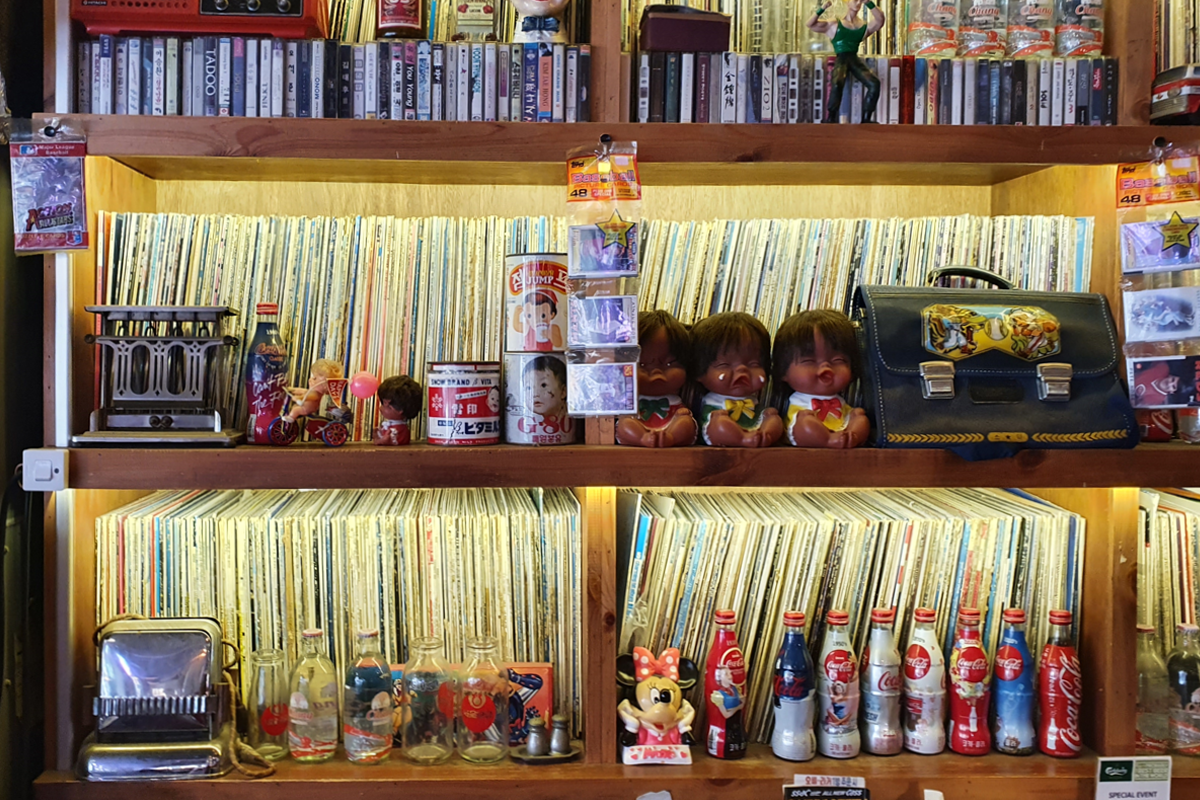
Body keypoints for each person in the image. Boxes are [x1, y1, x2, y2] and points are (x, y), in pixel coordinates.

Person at [772, 310, 870, 448]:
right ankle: (828, 440)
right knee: (806, 422)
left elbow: (854, 416)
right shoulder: (799, 404)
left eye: (838, 360)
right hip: (804, 433)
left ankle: (851, 437)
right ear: (783, 371)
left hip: (841, 428)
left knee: (860, 416)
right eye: (809, 361)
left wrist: (854, 421)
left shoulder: (841, 403)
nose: (825, 368)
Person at [691, 312, 784, 448]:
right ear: (699, 371)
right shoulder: (713, 405)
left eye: (753, 364)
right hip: (719, 431)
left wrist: (768, 418)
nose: (742, 370)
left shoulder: (754, 403)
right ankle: (742, 439)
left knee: (774, 419)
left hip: (755, 427)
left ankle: (765, 436)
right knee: (719, 423)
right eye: (725, 365)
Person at [616, 310, 697, 448]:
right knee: (626, 422)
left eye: (669, 363)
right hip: (638, 423)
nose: (656, 372)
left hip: (670, 424)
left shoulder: (675, 403)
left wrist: (680, 416)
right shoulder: (629, 401)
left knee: (686, 422)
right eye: (642, 364)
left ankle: (670, 438)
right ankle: (642, 438)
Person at [807, 0, 885, 123]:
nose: (858, 3)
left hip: (853, 58)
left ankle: (866, 118)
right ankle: (831, 117)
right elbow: (810, 24)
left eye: (860, 1)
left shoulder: (863, 27)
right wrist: (822, 9)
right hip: (842, 57)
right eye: (855, 0)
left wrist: (869, 3)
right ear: (847, 3)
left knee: (874, 84)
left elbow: (880, 20)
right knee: (837, 83)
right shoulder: (835, 24)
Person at [374, 375, 423, 446]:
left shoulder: (399, 429)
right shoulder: (390, 425)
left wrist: (384, 440)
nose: (380, 408)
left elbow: (394, 440)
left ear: (399, 410)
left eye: (386, 405)